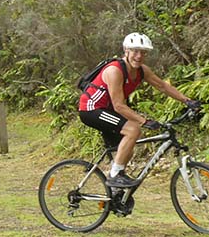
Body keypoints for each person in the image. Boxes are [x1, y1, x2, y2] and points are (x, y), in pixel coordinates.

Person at [77, 32, 200, 188]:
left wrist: (187, 101)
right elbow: (119, 106)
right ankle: (115, 176)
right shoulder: (115, 71)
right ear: (126, 51)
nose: (139, 56)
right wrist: (144, 121)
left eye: (143, 52)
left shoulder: (142, 70)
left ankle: (116, 191)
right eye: (135, 51)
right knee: (133, 130)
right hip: (91, 109)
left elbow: (162, 86)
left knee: (128, 146)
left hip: (107, 110)